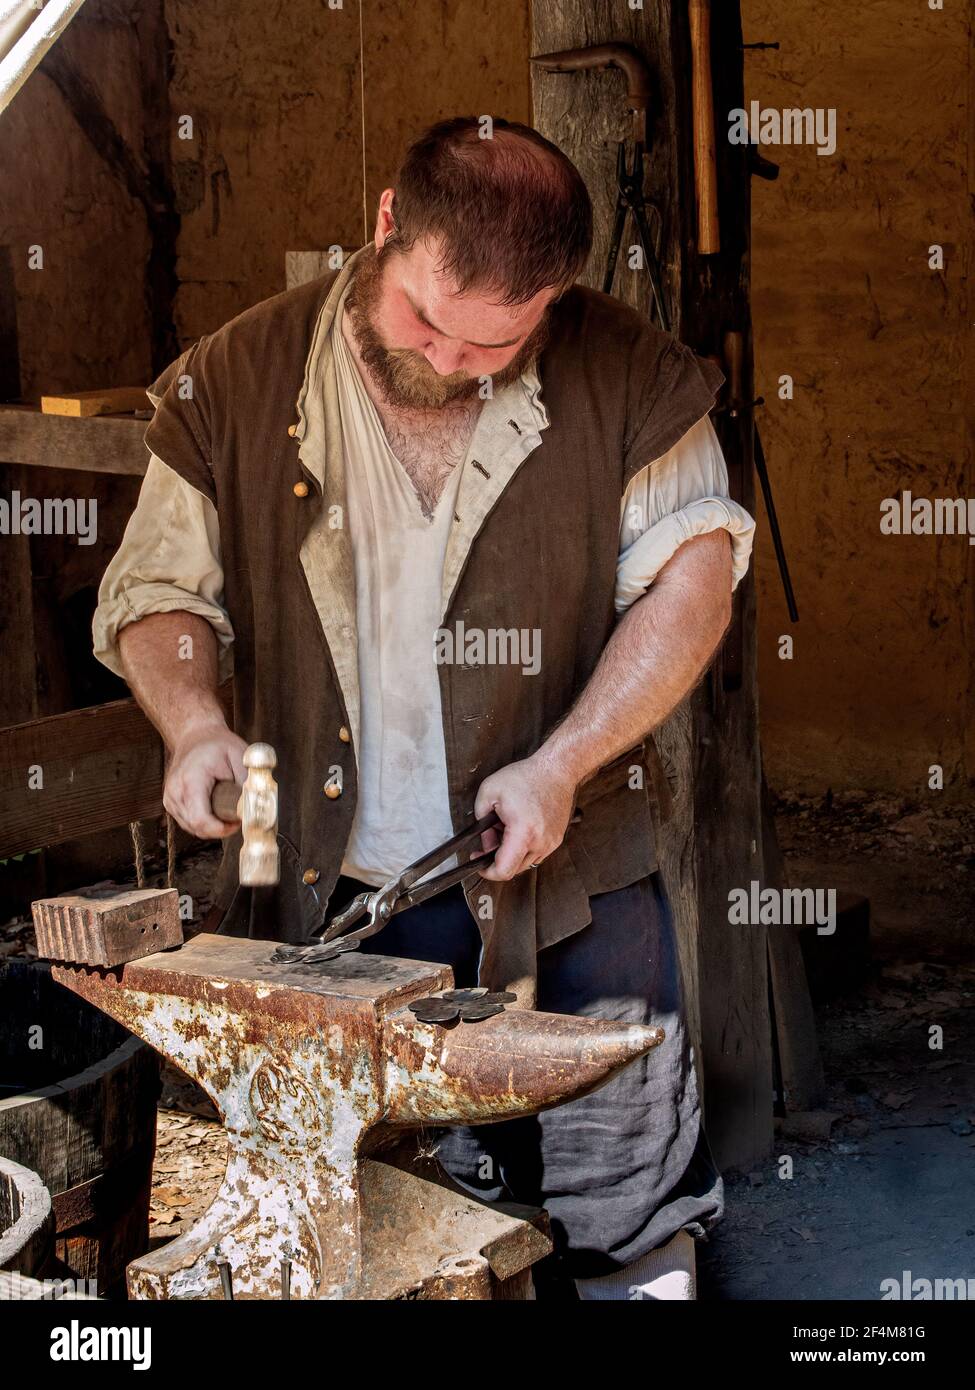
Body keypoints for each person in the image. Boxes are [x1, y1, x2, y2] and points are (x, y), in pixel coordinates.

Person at [93, 116, 755, 1300]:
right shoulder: (235, 377)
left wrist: (565, 760)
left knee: (628, 1213)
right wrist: (192, 720)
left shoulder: (628, 373)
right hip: (325, 893)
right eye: (425, 322)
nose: (452, 360)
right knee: (370, 1218)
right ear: (388, 225)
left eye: (494, 344)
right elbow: (157, 593)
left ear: (554, 298)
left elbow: (694, 581)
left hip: (568, 879)